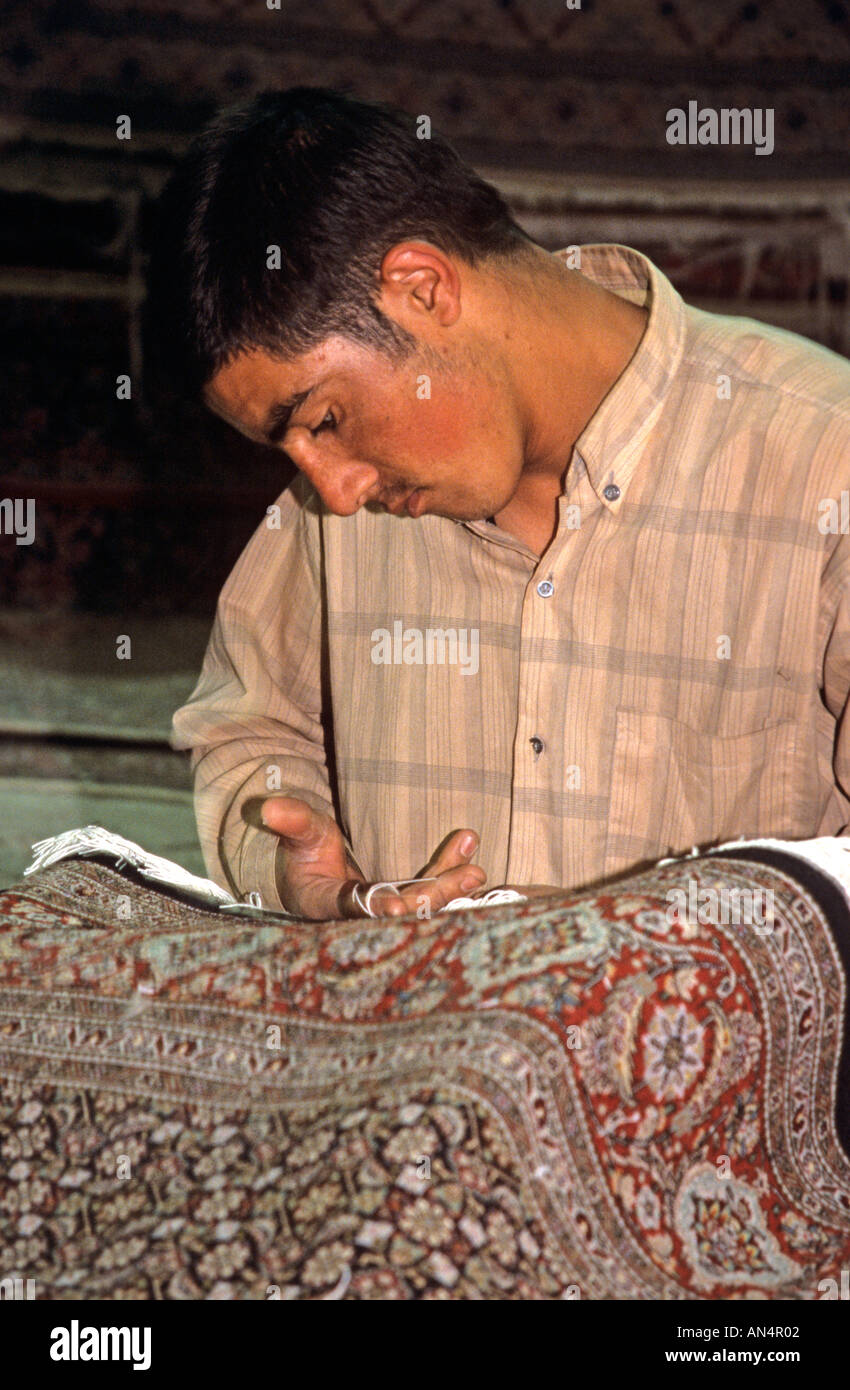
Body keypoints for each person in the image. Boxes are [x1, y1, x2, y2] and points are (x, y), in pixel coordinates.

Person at [156, 87, 850, 922]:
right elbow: (247, 725)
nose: (335, 494)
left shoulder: (820, 463)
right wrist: (295, 873)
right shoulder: (345, 507)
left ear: (422, 288)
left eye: (327, 420)